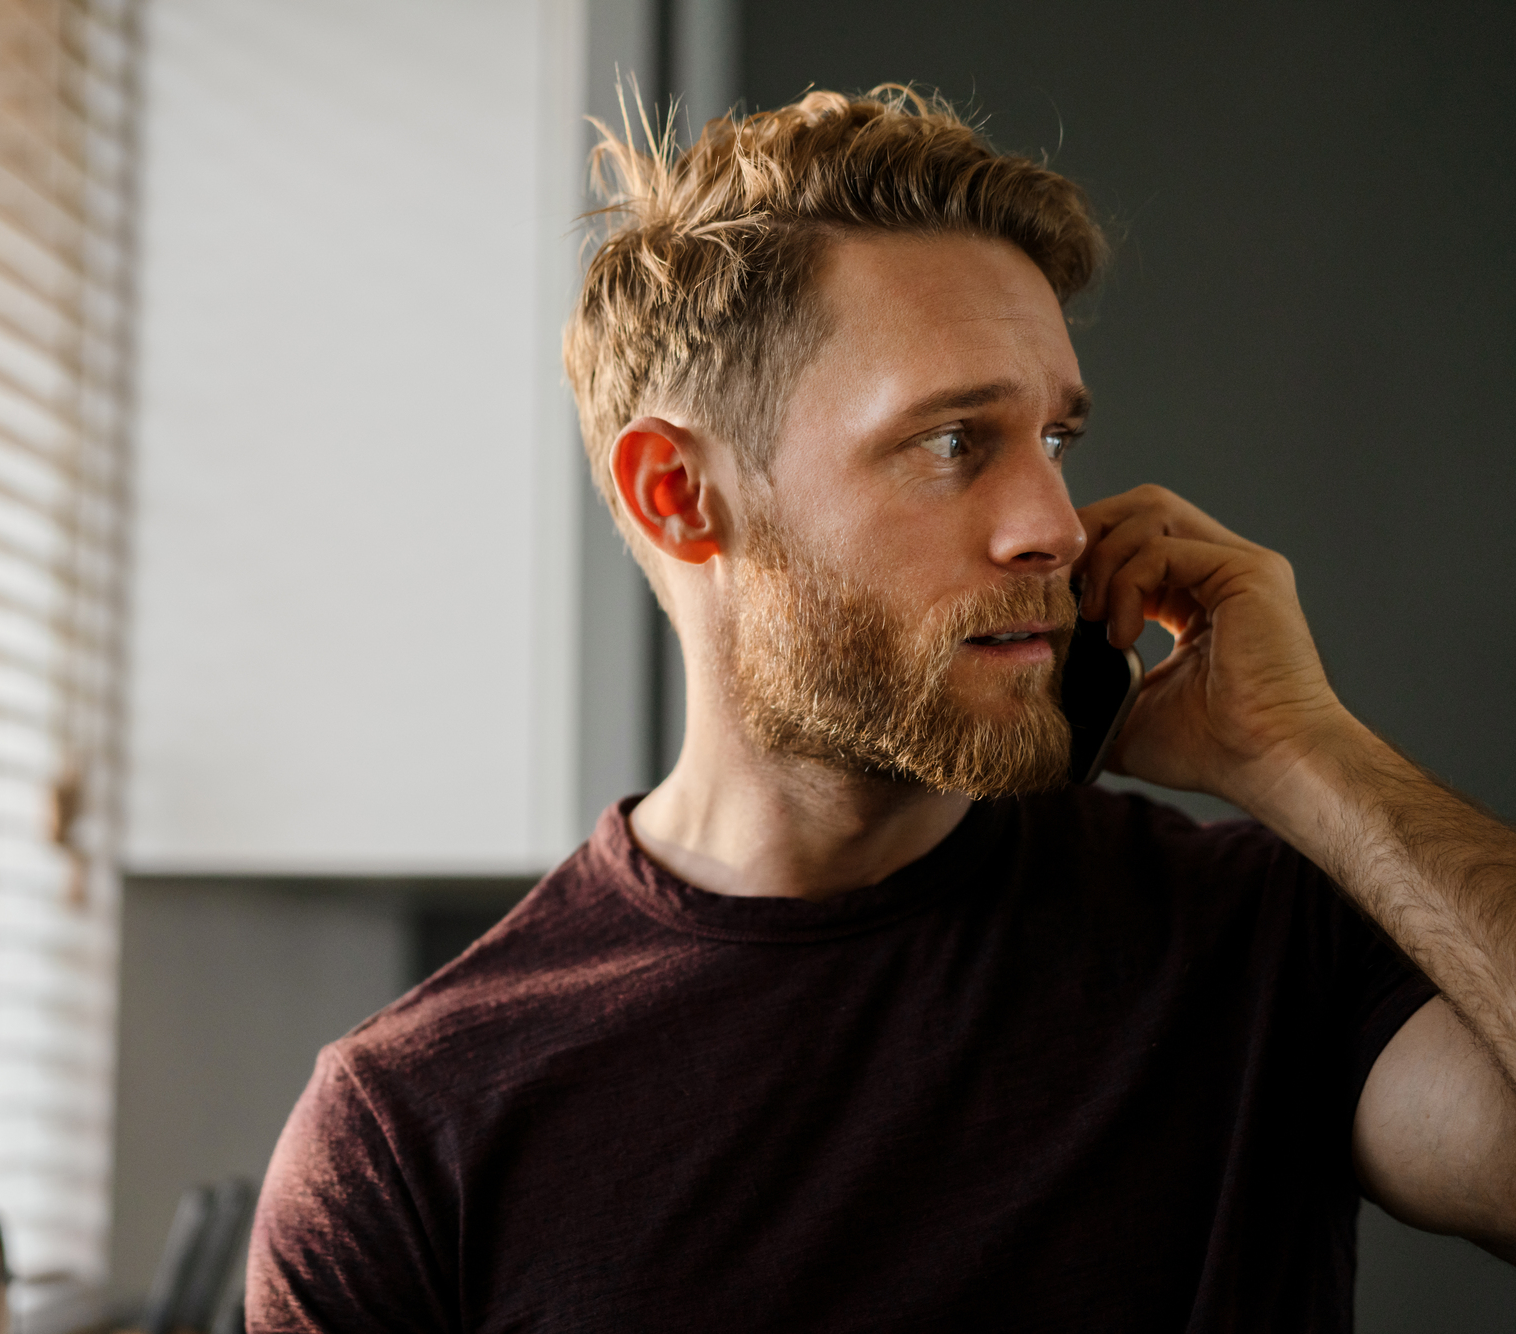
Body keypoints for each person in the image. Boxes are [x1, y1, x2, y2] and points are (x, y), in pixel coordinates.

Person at [245, 89, 1516, 1330]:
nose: (1053, 528)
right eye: (952, 442)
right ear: (677, 494)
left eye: (1054, 440)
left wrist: (1303, 753)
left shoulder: (1256, 940)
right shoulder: (412, 1128)